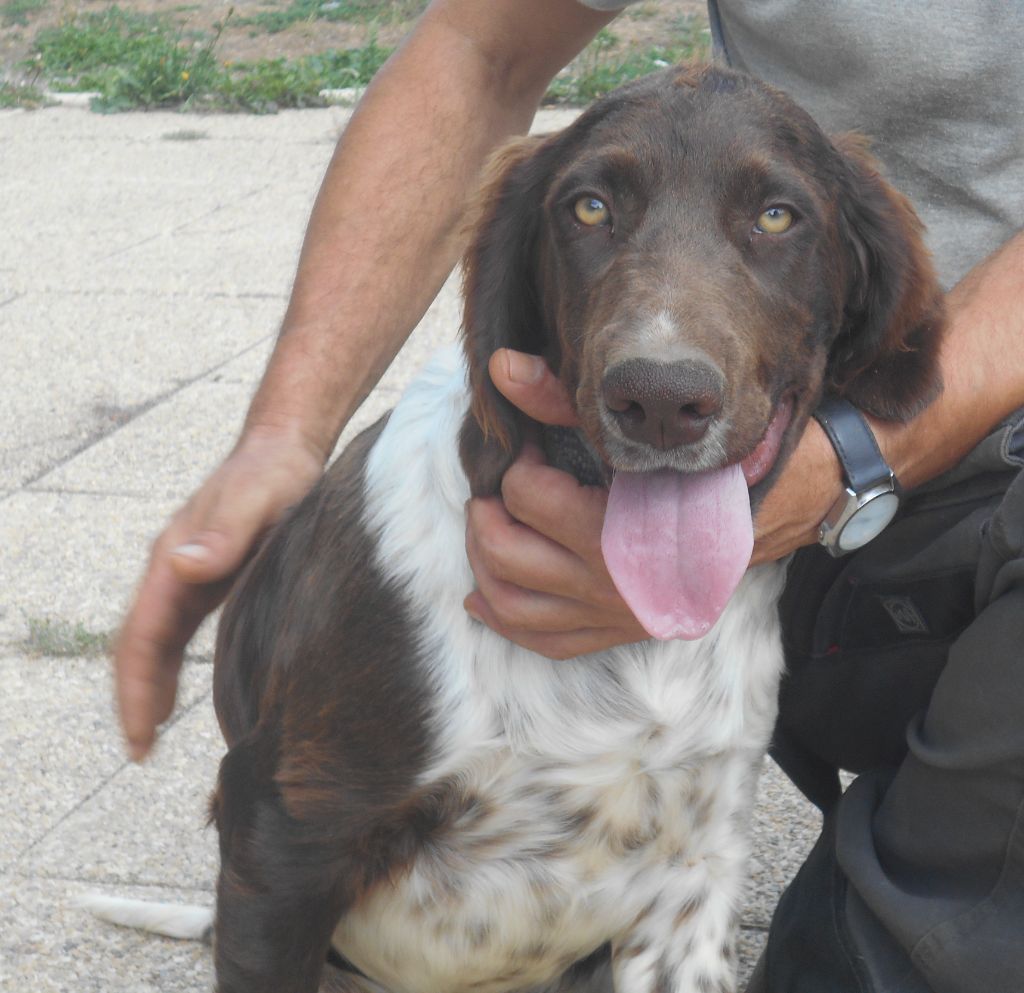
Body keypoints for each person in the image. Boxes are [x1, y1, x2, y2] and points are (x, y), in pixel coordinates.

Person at [114, 1, 1024, 990]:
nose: (663, 355)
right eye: (592, 210)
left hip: (948, 455)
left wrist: (852, 455)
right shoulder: (414, 544)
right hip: (812, 516)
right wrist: (283, 437)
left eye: (776, 216)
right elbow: (480, 48)